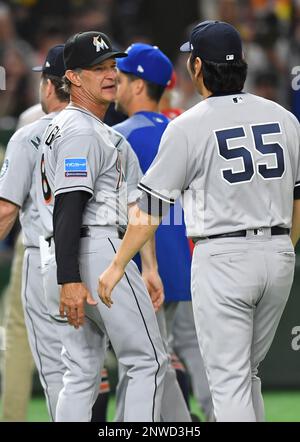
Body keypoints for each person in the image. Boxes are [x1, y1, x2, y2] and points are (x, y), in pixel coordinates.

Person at [98, 20, 300, 422]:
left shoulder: (189, 124)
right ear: (241, 63)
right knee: (247, 375)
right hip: (278, 255)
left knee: (229, 381)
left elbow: (148, 211)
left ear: (197, 67)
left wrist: (118, 263)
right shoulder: (283, 117)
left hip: (223, 256)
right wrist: (282, 248)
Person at [38, 31, 167, 422]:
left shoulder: (81, 129)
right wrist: (69, 278)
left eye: (112, 66)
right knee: (149, 362)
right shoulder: (82, 131)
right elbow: (69, 206)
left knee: (80, 373)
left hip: (67, 256)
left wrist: (148, 266)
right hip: (90, 252)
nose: (110, 75)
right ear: (73, 77)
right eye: (98, 69)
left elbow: (134, 206)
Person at [114, 43, 192, 422]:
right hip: (183, 262)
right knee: (159, 359)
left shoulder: (120, 134)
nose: (116, 82)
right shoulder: (184, 130)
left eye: (124, 77)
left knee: (144, 363)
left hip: (141, 265)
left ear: (140, 85)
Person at [0, 45, 68, 421]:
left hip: (37, 246)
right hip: (93, 247)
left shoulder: (29, 122)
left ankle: (12, 417)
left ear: (47, 84)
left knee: (22, 339)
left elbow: (6, 208)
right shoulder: (103, 127)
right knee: (87, 354)